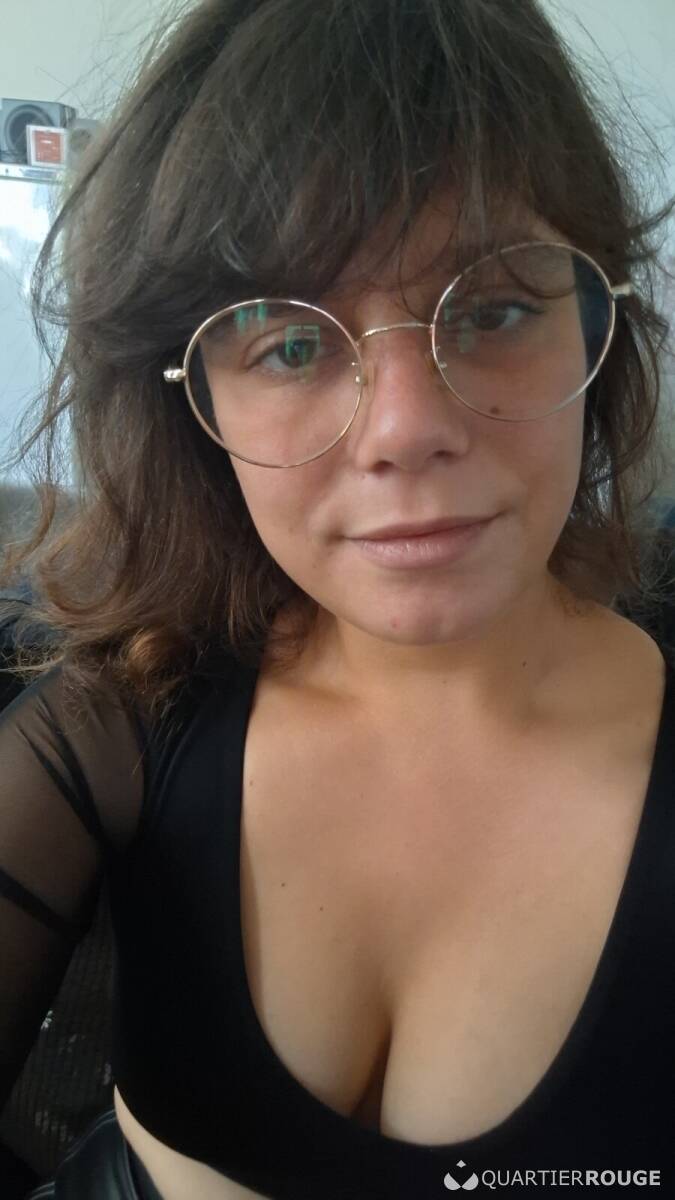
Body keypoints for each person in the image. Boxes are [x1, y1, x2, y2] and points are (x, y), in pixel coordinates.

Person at [1, 0, 675, 1196]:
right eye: (290, 343)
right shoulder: (119, 725)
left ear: (596, 332)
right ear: (195, 405)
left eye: (495, 310)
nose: (407, 429)